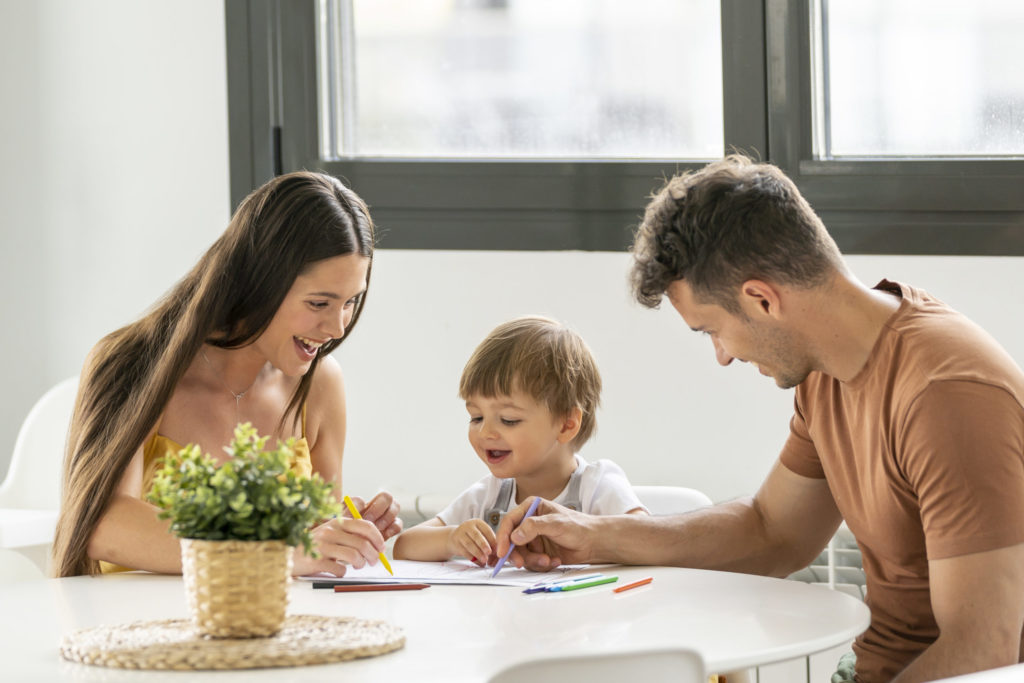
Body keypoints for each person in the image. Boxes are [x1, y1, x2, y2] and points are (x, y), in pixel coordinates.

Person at [494, 155, 1024, 683]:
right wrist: (594, 536)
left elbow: (984, 650)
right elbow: (773, 532)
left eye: (711, 330)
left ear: (761, 299)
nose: (722, 356)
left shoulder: (947, 395)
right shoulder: (828, 371)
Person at [53, 171, 402, 578]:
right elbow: (102, 525)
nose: (338, 328)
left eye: (349, 303)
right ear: (260, 281)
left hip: (274, 629)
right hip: (140, 628)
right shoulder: (130, 363)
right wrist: (276, 553)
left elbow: (309, 550)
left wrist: (344, 535)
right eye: (320, 302)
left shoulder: (320, 384)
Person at [393, 315, 646, 564]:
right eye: (476, 417)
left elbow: (645, 537)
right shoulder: (488, 495)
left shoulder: (597, 486)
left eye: (509, 420)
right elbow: (405, 546)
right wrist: (450, 539)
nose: (485, 433)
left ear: (567, 424)